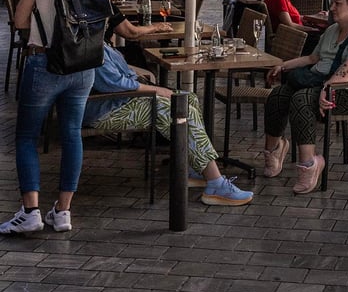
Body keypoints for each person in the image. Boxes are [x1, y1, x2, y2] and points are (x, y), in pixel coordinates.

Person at [0, 0, 101, 235]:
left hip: (43, 63)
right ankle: (63, 210)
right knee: (72, 134)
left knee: (28, 136)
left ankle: (31, 210)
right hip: (82, 67)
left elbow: (18, 21)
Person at [85, 41, 252, 206]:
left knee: (188, 98)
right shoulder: (89, 43)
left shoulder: (96, 38)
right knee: (176, 108)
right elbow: (113, 83)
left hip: (120, 100)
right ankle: (215, 183)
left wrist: (140, 77)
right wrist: (156, 89)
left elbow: (116, 74)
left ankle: (194, 168)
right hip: (105, 108)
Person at [261, 0, 348, 194]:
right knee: (278, 94)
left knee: (302, 99)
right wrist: (283, 66)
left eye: (338, 4)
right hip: (324, 85)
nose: (332, 8)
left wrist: (327, 89)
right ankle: (274, 149)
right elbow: (312, 58)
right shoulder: (333, 30)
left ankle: (309, 165)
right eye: (332, 3)